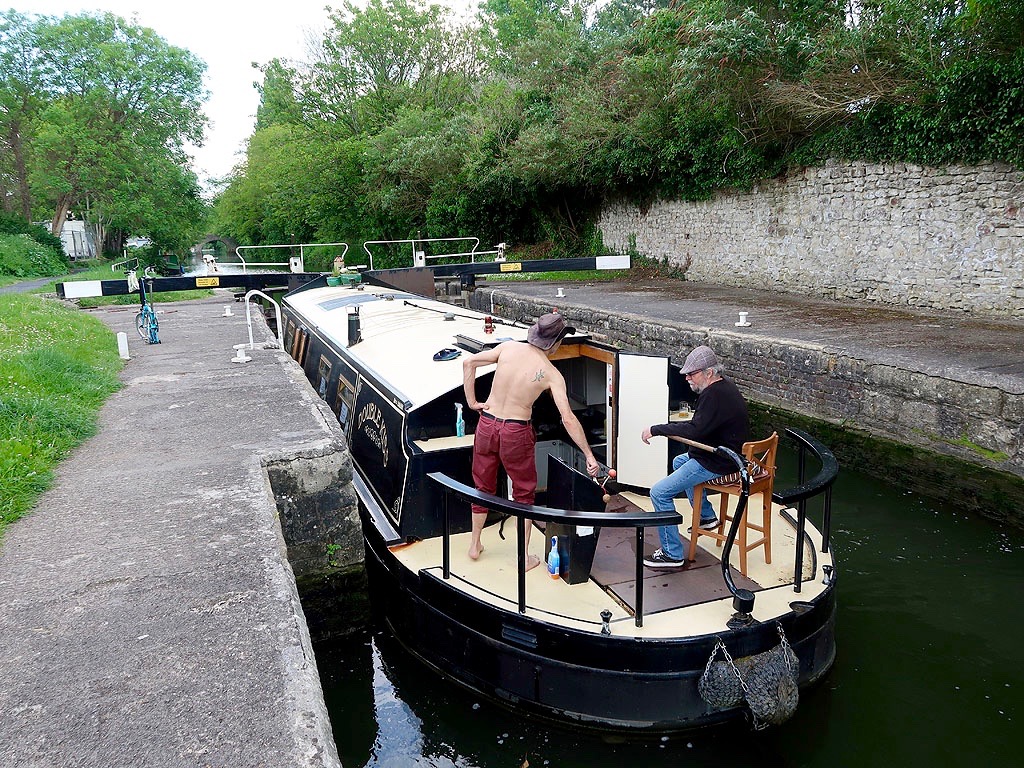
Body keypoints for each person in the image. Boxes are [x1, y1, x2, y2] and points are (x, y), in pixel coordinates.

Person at [463, 312, 600, 569]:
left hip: (487, 425)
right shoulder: (551, 374)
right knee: (523, 493)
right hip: (516, 431)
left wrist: (472, 403)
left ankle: (475, 544)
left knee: (483, 485)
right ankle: (523, 557)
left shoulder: (507, 348)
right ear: (557, 342)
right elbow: (568, 419)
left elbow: (468, 363)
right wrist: (589, 455)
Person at [640, 345, 749, 568]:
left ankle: (672, 554)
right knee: (679, 461)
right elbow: (703, 427)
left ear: (709, 372)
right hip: (730, 456)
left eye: (692, 373)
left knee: (659, 492)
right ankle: (707, 517)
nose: (687, 378)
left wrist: (657, 429)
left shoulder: (712, 396)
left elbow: (695, 431)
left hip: (718, 461)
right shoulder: (725, 388)